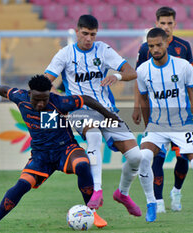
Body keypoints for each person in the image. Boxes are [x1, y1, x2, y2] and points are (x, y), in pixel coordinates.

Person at [0, 75, 120, 231]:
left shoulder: (58, 102)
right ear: (29, 93)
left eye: (44, 99)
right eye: (37, 99)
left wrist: (108, 115)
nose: (41, 103)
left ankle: (92, 212)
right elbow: (5, 90)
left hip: (65, 148)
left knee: (82, 164)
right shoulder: (20, 97)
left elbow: (85, 99)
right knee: (22, 185)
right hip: (41, 156)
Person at [45, 14, 142, 225]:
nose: (89, 38)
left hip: (107, 111)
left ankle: (122, 194)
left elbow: (131, 72)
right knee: (94, 136)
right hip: (81, 111)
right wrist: (60, 100)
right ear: (77, 31)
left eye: (93, 34)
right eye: (85, 34)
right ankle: (97, 190)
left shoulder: (103, 50)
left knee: (136, 157)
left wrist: (116, 76)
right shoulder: (65, 54)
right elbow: (45, 81)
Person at [136, 27, 193, 222]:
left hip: (182, 125)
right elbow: (143, 99)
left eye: (159, 45)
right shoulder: (143, 70)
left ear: (167, 42)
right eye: (151, 46)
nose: (155, 49)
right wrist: (147, 127)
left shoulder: (183, 66)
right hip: (156, 126)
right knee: (142, 157)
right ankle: (151, 203)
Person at [133, 6, 193, 213]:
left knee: (183, 157)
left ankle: (177, 191)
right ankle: (158, 200)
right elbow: (139, 80)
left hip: (181, 115)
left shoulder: (184, 47)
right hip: (156, 113)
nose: (166, 27)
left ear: (174, 24)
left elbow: (191, 82)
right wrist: (137, 106)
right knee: (156, 158)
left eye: (170, 23)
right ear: (157, 24)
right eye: (163, 23)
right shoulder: (146, 48)